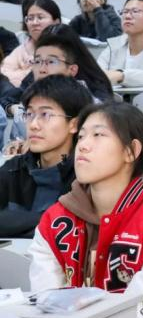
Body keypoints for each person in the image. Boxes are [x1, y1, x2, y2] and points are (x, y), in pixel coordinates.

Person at [28, 102, 143, 318]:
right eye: (81, 136)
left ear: (131, 151)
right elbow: (46, 305)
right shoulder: (54, 221)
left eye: (98, 135)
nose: (83, 145)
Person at [0, 76, 92, 238]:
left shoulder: (86, 176)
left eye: (45, 115)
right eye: (29, 114)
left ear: (74, 124)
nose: (33, 125)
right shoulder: (14, 168)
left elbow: (77, 228)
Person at [2, 24, 114, 126]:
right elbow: (10, 98)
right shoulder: (38, 73)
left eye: (51, 61)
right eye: (38, 60)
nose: (42, 69)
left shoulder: (87, 93)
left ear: (72, 69)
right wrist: (15, 109)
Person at [1, 0, 61, 87]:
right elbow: (3, 74)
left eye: (40, 17)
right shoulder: (23, 47)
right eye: (30, 18)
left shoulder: (65, 46)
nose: (34, 23)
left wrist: (22, 73)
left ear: (56, 22)